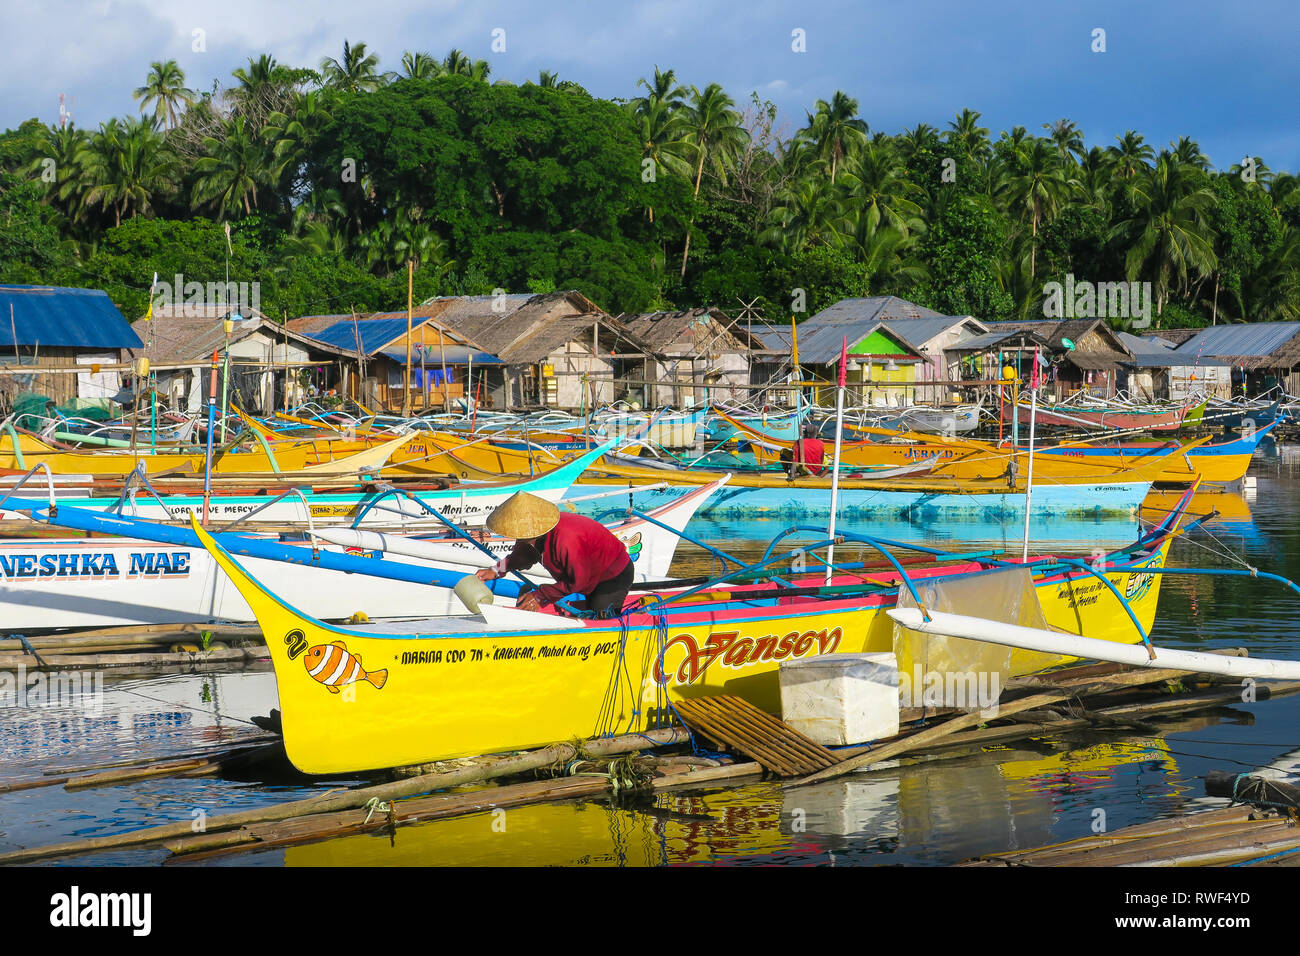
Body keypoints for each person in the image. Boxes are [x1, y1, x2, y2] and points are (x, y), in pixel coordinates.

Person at [475, 492, 634, 617]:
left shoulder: (567, 540)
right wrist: (496, 570)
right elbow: (519, 557)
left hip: (612, 576)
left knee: (600, 617)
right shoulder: (529, 536)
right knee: (529, 593)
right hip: (585, 578)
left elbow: (578, 581)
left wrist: (540, 595)